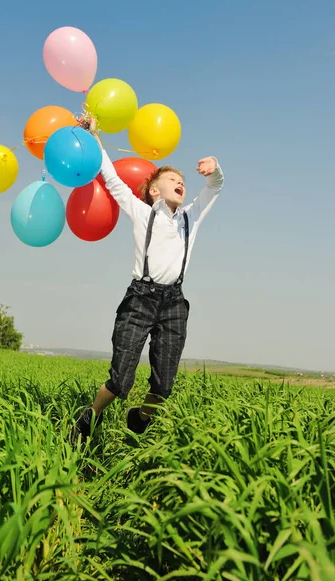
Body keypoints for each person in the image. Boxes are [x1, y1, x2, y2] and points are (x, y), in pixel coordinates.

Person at [69, 123, 224, 445]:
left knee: (164, 386)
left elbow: (215, 187)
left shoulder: (190, 217)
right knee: (120, 380)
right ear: (154, 191)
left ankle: (139, 419)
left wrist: (213, 170)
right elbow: (110, 177)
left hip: (174, 304)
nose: (180, 182)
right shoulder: (142, 213)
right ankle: (89, 420)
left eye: (182, 180)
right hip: (140, 300)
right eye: (171, 179)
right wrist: (94, 136)